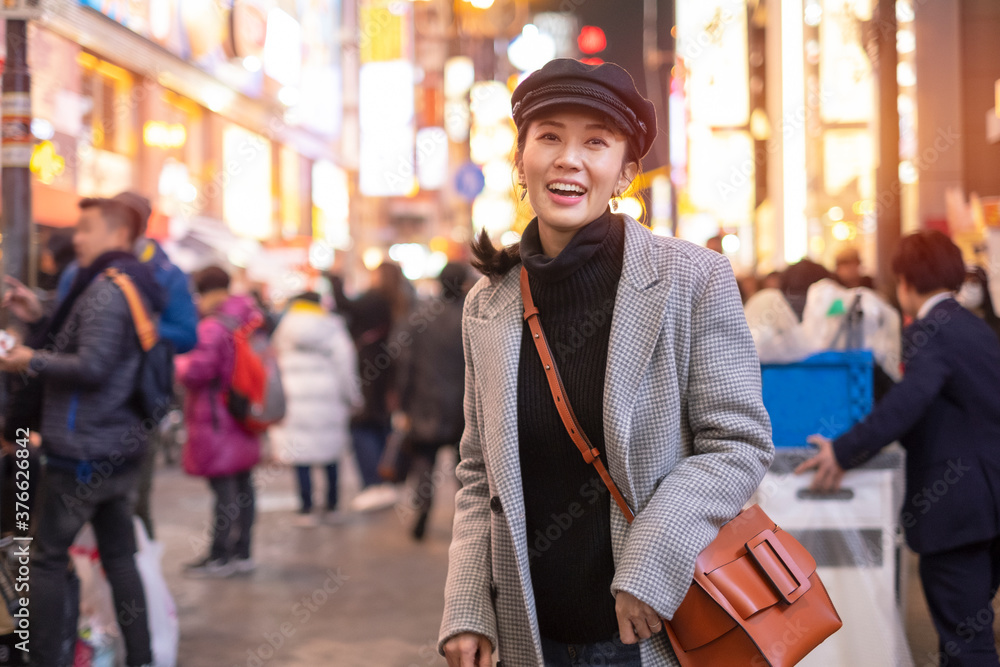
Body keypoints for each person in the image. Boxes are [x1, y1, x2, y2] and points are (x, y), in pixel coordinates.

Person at [439, 58, 773, 667]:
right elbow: (477, 473)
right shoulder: (487, 306)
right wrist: (467, 604)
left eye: (596, 141)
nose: (570, 158)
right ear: (521, 161)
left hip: (646, 627)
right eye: (549, 137)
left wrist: (652, 558)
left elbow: (737, 444)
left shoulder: (691, 279)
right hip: (527, 633)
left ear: (624, 171)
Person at [797, 230, 1000, 666]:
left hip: (959, 512)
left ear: (904, 282)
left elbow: (910, 403)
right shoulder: (975, 328)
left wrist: (842, 450)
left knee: (968, 646)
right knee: (967, 636)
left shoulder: (931, 330)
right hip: (988, 505)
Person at [0, 197, 163, 667]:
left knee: (45, 558)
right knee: (120, 559)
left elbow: (92, 365)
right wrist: (40, 313)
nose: (77, 238)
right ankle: (142, 657)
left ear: (116, 234)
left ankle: (46, 658)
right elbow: (89, 343)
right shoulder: (127, 285)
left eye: (86, 228)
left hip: (84, 449)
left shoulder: (108, 289)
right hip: (116, 445)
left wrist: (29, 359)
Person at [58, 191, 198, 539]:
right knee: (65, 516)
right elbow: (62, 332)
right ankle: (88, 589)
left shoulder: (167, 274)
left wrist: (135, 325)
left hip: (136, 404)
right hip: (76, 409)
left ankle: (136, 581)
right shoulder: (79, 270)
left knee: (131, 506)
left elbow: (186, 334)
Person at [177, 266, 260, 577]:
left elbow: (198, 372)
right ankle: (243, 551)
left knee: (224, 487)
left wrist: (178, 361)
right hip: (243, 413)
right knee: (243, 485)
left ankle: (220, 555)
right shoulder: (248, 317)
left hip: (216, 417)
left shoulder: (213, 326)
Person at [268, 291, 361, 527]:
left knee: (301, 455)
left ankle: (306, 508)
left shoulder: (283, 329)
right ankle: (332, 505)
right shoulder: (332, 327)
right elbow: (346, 366)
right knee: (330, 452)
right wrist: (352, 397)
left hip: (294, 398)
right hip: (328, 397)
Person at [396, 262, 470, 540]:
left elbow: (406, 364)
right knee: (464, 465)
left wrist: (403, 404)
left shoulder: (421, 315)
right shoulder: (471, 313)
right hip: (464, 404)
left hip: (426, 402)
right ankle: (465, 517)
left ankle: (422, 512)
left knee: (424, 461)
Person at [332, 262, 413, 511]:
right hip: (385, 367)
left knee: (363, 423)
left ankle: (375, 483)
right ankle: (385, 481)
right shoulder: (398, 299)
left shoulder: (376, 298)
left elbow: (346, 306)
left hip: (369, 367)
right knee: (379, 422)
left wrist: (334, 277)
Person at [956, 265, 1000, 341]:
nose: (967, 287)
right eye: (963, 282)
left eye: (973, 282)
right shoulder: (957, 329)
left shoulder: (997, 326)